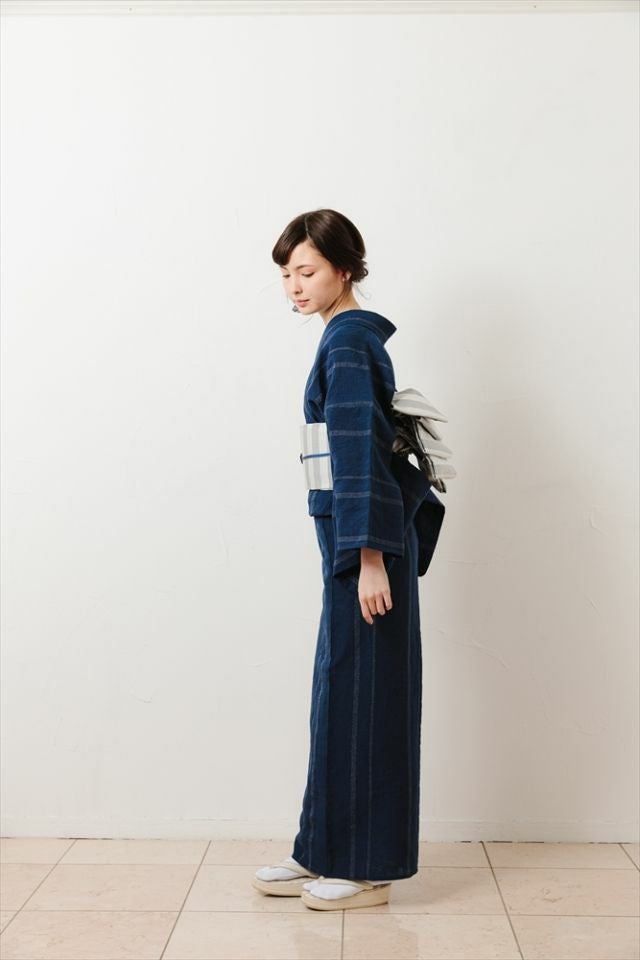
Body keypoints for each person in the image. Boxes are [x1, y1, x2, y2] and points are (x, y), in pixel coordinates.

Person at [252, 209, 445, 911]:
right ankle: (321, 847)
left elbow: (361, 456)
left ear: (344, 268)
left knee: (370, 697)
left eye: (306, 271)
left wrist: (370, 558)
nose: (294, 286)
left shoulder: (349, 343)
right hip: (350, 547)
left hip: (367, 550)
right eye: (286, 274)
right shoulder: (343, 339)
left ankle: (368, 869)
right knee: (340, 689)